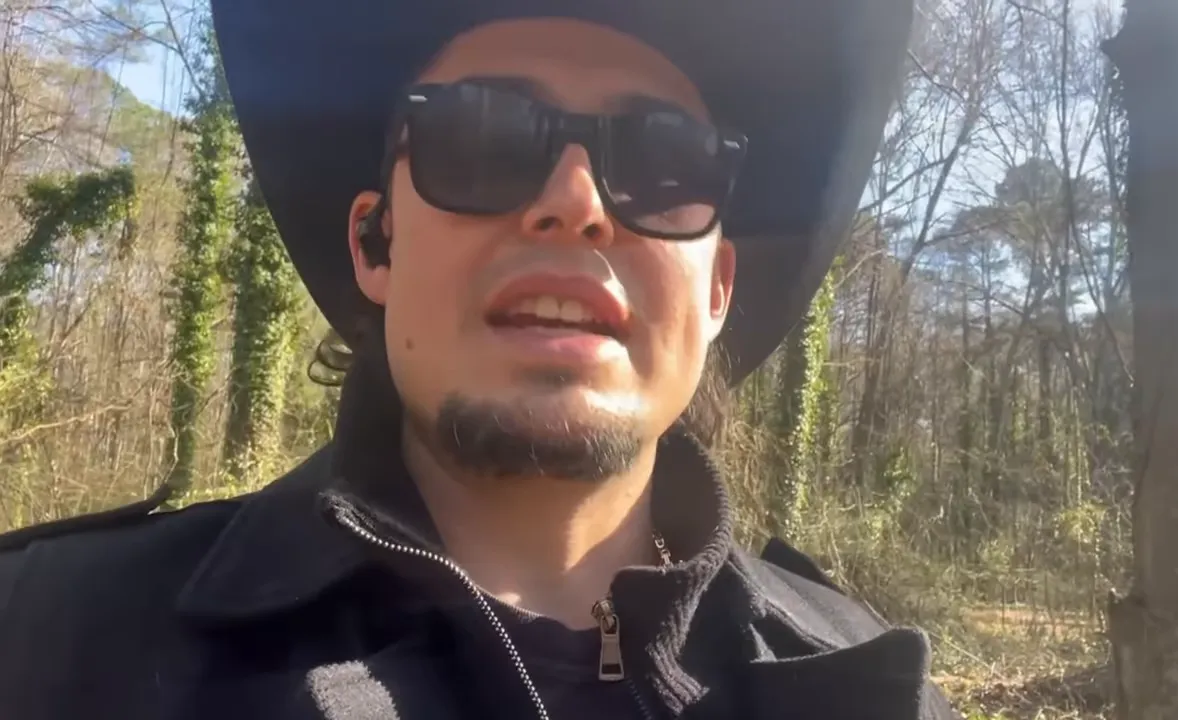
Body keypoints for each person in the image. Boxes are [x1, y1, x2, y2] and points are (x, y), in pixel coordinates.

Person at [0, 1, 962, 718]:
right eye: (483, 137)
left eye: (664, 160)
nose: (576, 201)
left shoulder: (877, 688)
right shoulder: (48, 642)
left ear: (716, 293)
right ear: (375, 244)